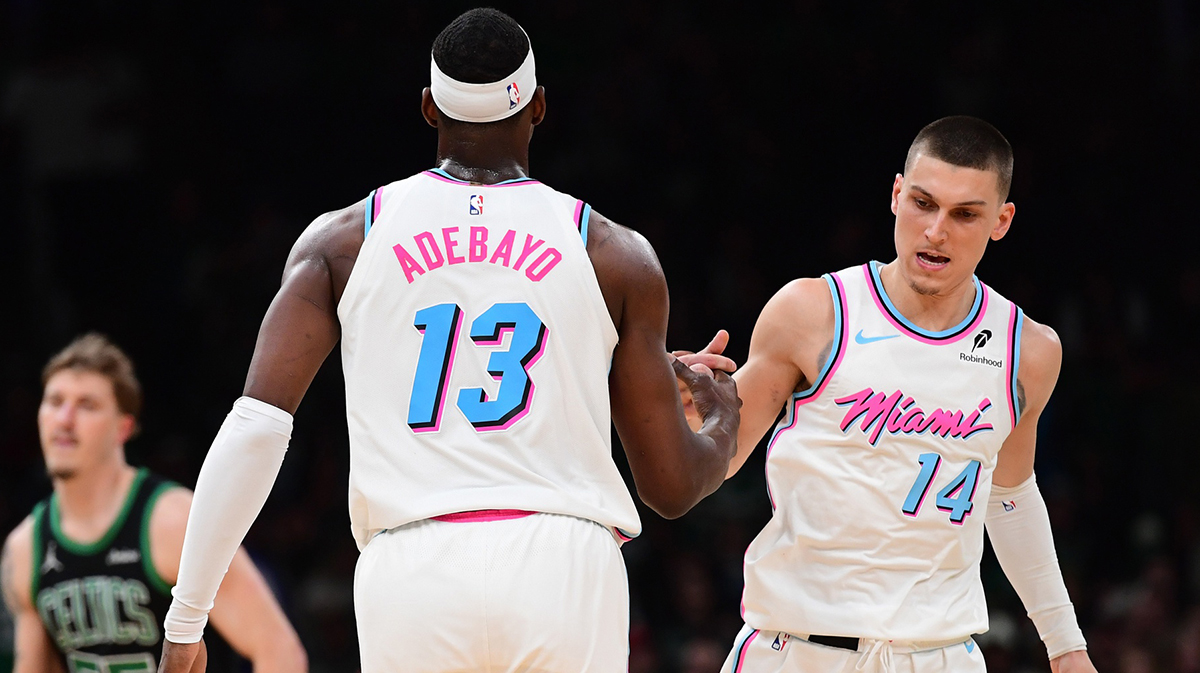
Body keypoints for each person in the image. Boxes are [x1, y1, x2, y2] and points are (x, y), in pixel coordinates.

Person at [157, 8, 740, 673]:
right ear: (538, 106)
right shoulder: (615, 253)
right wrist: (722, 417)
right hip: (562, 565)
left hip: (411, 567)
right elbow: (670, 487)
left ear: (429, 108)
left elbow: (256, 429)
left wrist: (187, 618)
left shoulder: (343, 241)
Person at [680, 116, 1098, 672]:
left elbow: (1011, 496)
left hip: (939, 655)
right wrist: (678, 417)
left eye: (965, 214)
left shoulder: (1029, 351)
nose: (936, 231)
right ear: (897, 195)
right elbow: (716, 458)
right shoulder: (812, 312)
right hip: (797, 648)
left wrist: (1066, 646)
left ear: (1001, 221)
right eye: (923, 203)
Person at [0, 333, 307, 673]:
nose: (65, 419)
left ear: (123, 428)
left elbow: (279, 652)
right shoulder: (25, 547)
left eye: (86, 405)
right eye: (55, 402)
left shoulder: (172, 521)